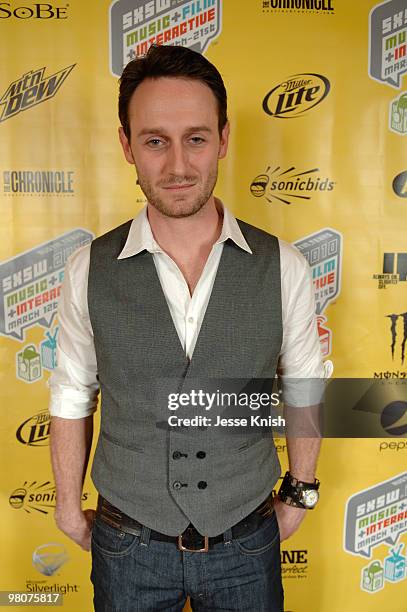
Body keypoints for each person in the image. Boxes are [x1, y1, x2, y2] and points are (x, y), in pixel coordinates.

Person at [49, 44, 329, 612]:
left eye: (196, 138)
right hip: (127, 542)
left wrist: (300, 492)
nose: (177, 166)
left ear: (223, 138)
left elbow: (304, 385)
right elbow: (72, 392)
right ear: (127, 145)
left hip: (246, 541)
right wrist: (65, 502)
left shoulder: (285, 265)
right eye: (155, 141)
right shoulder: (88, 269)